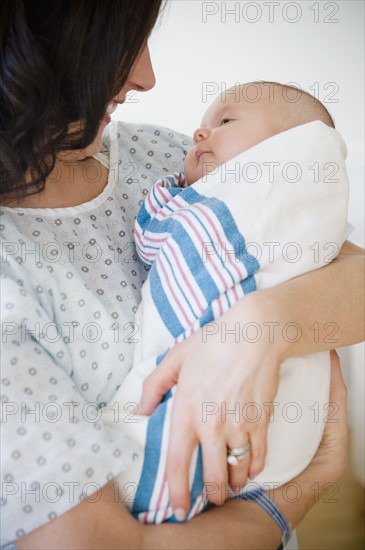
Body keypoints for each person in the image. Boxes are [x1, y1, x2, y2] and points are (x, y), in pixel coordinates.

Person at [0, 2, 363, 548]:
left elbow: (347, 268)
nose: (147, 75)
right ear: (28, 50)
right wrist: (304, 488)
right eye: (118, 41)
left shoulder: (168, 160)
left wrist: (264, 324)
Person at [103, 81, 349, 523]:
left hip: (278, 407)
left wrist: (265, 318)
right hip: (273, 477)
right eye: (204, 124)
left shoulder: (288, 201)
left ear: (286, 151)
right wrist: (324, 470)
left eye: (226, 121)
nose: (199, 133)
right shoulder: (202, 192)